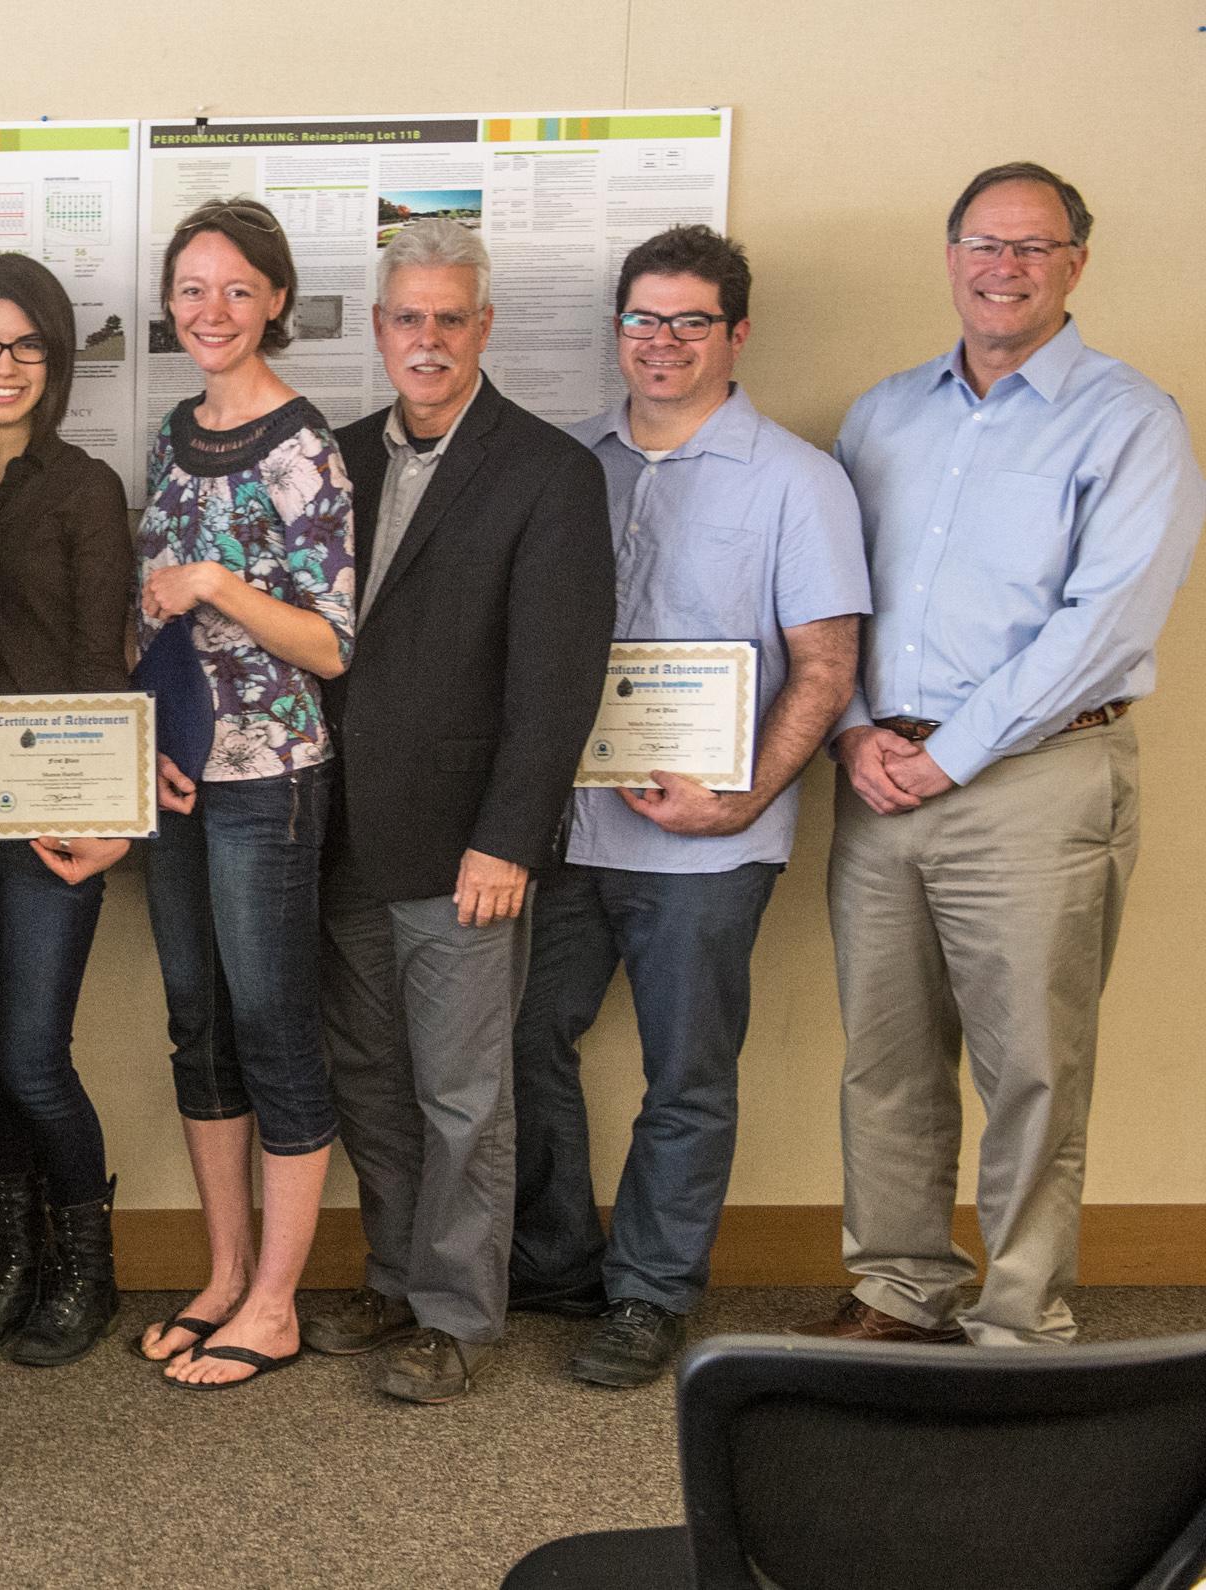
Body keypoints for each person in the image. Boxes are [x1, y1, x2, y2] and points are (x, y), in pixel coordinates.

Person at [806, 162, 1203, 1348]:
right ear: (951, 257)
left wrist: (952, 756)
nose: (1006, 267)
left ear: (1075, 263)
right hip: (879, 778)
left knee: (1032, 1068)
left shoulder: (1131, 420)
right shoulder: (883, 414)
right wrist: (851, 728)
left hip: (1036, 783)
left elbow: (1106, 626)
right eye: (985, 243)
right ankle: (900, 1286)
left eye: (1034, 247)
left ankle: (1022, 1318)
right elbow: (829, 593)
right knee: (885, 1057)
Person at [510, 226, 869, 1388]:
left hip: (711, 848)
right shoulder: (567, 463)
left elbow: (827, 668)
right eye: (642, 318)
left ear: (736, 334)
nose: (662, 341)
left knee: (688, 1075)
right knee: (519, 1039)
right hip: (565, 830)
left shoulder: (799, 481)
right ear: (616, 329)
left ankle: (650, 1295)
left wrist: (742, 799)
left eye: (690, 321)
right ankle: (556, 1262)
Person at [308, 220, 613, 1405]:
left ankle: (457, 1313)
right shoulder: (337, 458)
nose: (426, 339)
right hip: (341, 834)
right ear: (379, 329)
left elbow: (557, 683)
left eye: (449, 318)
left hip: (464, 849)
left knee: (463, 1095)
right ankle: (395, 1277)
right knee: (370, 1079)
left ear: (484, 327)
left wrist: (509, 838)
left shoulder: (549, 472)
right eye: (407, 318)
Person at [125, 200, 356, 1388]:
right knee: (197, 1023)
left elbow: (331, 646)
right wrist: (142, 744)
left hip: (269, 780)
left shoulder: (304, 446)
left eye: (235, 289)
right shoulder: (173, 434)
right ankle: (223, 1275)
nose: (210, 310)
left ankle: (275, 1301)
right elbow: (147, 615)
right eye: (191, 288)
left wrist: (216, 580)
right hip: (177, 775)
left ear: (275, 301)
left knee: (271, 1026)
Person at [0, 254, 136, 1368]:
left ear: (54, 360)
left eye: (26, 345)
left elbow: (103, 665)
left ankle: (86, 1268)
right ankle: (12, 1261)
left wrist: (111, 817)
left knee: (32, 1055)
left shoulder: (84, 488)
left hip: (56, 806)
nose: (3, 366)